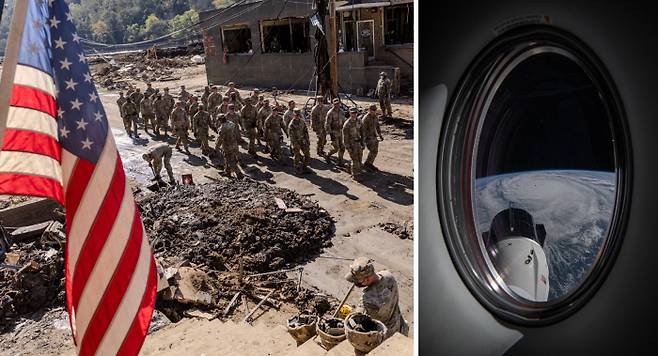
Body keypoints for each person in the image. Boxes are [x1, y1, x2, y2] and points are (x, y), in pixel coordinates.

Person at [344, 257, 409, 340]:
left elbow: (358, 320)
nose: (357, 283)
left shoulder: (367, 299)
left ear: (367, 279)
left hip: (385, 335)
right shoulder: (388, 276)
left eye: (358, 281)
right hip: (398, 323)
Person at [215, 114, 244, 179]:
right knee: (227, 159)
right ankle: (227, 172)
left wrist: (216, 147)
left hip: (228, 146)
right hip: (234, 144)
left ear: (220, 120)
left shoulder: (222, 128)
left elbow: (220, 139)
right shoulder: (231, 123)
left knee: (231, 160)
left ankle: (239, 174)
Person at [360, 104, 384, 171]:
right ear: (369, 110)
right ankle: (367, 164)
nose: (374, 111)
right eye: (372, 110)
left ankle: (369, 163)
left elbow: (377, 126)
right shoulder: (366, 118)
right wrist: (363, 141)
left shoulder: (375, 117)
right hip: (368, 137)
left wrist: (380, 135)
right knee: (373, 150)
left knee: (375, 151)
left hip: (373, 136)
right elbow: (363, 130)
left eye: (375, 110)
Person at [288, 108, 311, 174]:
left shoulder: (302, 122)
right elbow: (292, 137)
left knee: (307, 155)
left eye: (298, 115)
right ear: (294, 115)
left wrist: (307, 140)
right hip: (295, 142)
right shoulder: (291, 125)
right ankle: (297, 168)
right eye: (296, 115)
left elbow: (305, 131)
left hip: (303, 141)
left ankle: (304, 167)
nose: (297, 116)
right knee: (297, 156)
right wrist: (295, 145)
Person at [342, 108, 363, 179]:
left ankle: (349, 168)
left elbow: (362, 132)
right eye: (352, 113)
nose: (354, 114)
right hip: (351, 144)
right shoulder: (347, 124)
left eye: (355, 113)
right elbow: (345, 138)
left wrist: (363, 142)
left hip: (358, 143)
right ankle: (355, 175)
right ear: (350, 113)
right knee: (355, 159)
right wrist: (348, 148)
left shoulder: (359, 121)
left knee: (359, 158)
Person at [324, 98, 345, 166]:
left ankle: (340, 161)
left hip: (340, 132)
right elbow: (327, 124)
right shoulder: (330, 112)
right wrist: (330, 133)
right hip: (333, 132)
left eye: (338, 104)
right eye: (335, 104)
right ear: (333, 104)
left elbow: (343, 121)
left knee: (342, 147)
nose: (337, 105)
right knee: (336, 148)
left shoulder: (341, 111)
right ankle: (328, 155)